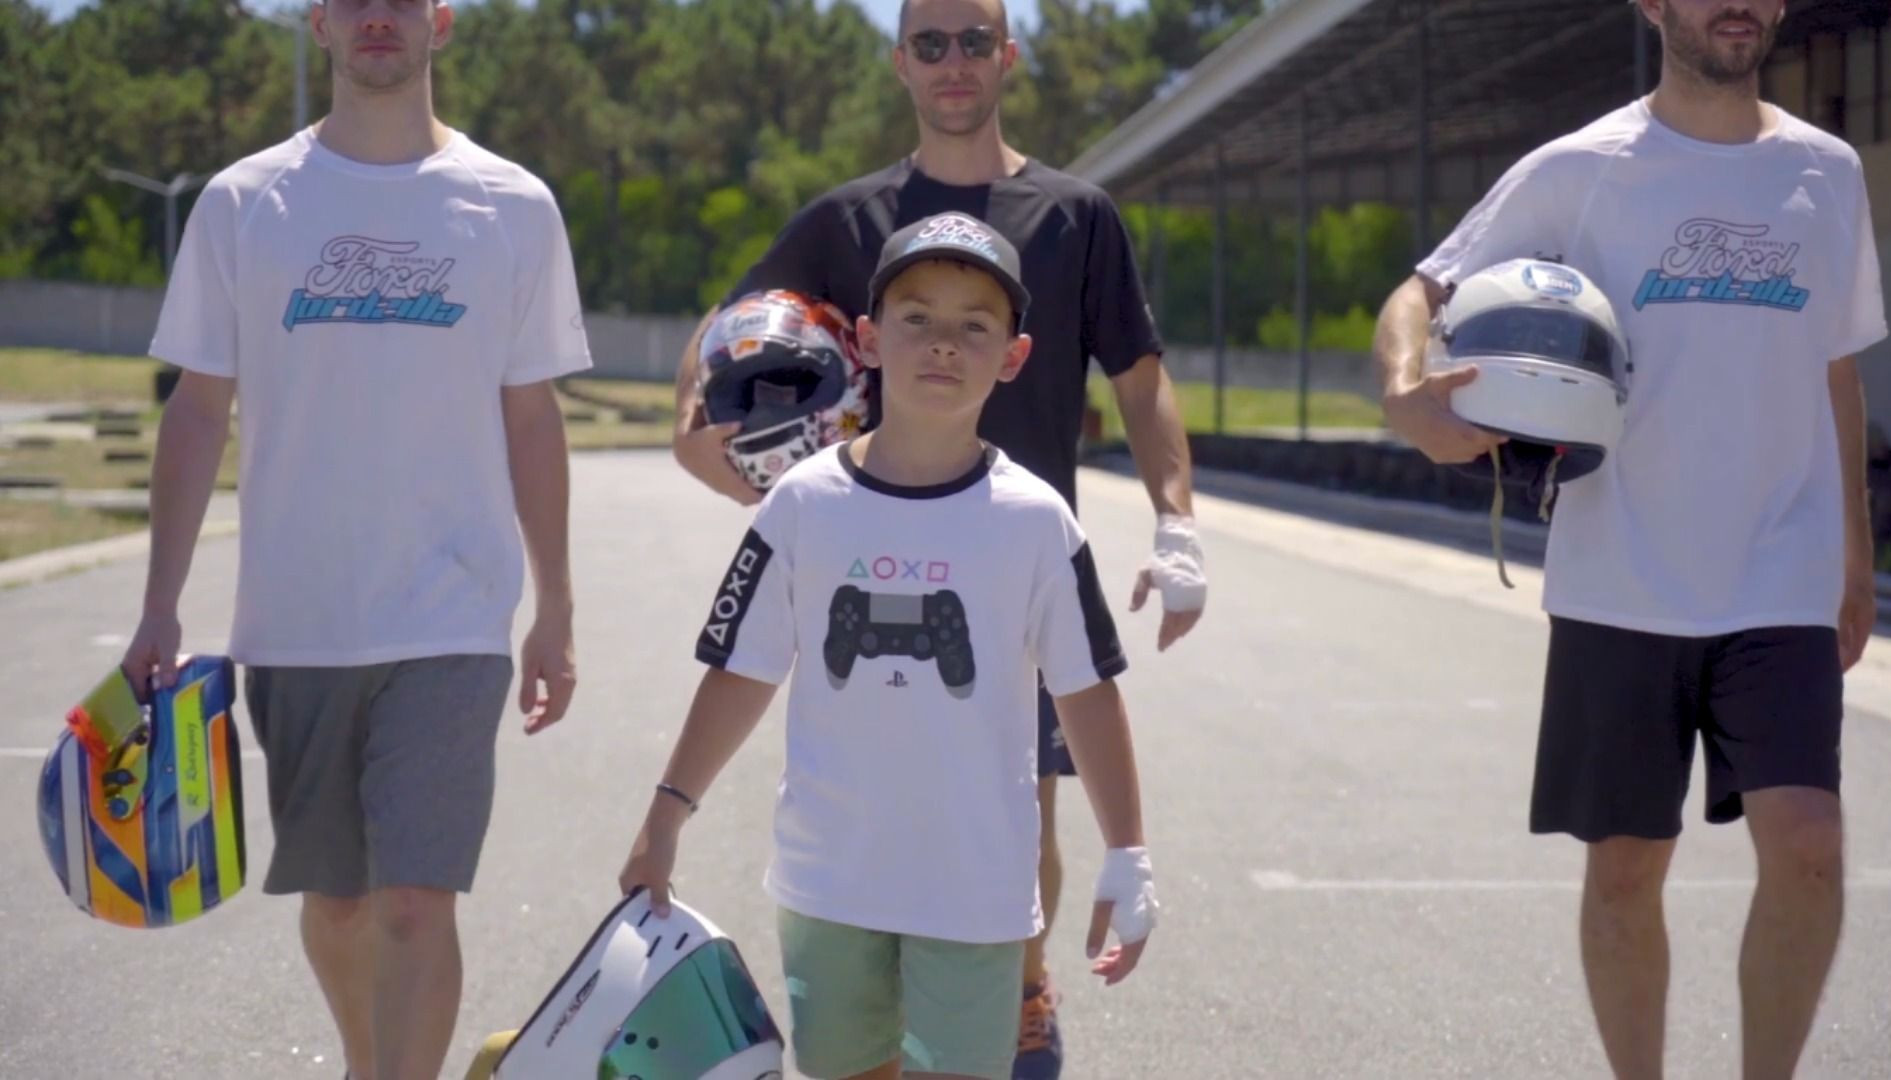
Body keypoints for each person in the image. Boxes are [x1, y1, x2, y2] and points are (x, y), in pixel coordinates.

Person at [670, 2, 1204, 1069]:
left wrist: (1177, 519)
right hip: (879, 547)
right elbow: (725, 337)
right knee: (890, 791)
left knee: (1029, 814)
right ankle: (899, 1006)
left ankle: (1020, 985)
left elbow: (1139, 378)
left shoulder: (1075, 214)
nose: (953, 62)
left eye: (974, 41)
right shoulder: (846, 219)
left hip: (1015, 564)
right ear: (900, 61)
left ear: (1008, 55)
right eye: (931, 42)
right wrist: (702, 439)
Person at [1372, 1, 1885, 1076]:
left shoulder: (1828, 172)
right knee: (1623, 871)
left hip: (1778, 572)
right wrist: (1406, 397)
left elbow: (1835, 364)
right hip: (1622, 574)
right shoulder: (1581, 167)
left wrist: (1854, 549)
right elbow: (1420, 291)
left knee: (1811, 852)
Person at [121, 0, 592, 1076]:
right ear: (319, 24)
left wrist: (555, 608)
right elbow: (199, 409)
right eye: (353, 0)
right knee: (337, 903)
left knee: (417, 902)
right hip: (297, 622)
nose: (379, 17)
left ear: (442, 23)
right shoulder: (246, 204)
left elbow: (532, 416)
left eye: (402, 0)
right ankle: (370, 1058)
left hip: (454, 619)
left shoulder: (512, 206)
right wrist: (160, 602)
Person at [620, 213, 1160, 1080]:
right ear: (869, 340)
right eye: (918, 318)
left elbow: (1088, 691)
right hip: (831, 883)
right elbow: (739, 672)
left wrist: (1128, 855)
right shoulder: (801, 503)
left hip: (975, 890)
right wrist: (664, 817)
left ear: (1013, 356)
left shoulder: (1033, 522)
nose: (944, 344)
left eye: (974, 326)